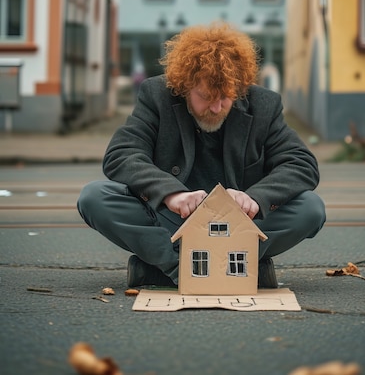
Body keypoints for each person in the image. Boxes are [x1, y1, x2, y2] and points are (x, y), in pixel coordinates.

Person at [77, 22, 326, 289]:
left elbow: (302, 163)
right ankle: (238, 269)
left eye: (226, 97)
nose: (217, 107)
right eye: (206, 96)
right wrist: (172, 194)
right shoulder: (156, 95)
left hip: (238, 225)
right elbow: (121, 154)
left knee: (311, 208)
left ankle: (168, 270)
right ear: (184, 85)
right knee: (94, 198)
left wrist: (254, 197)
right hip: (171, 222)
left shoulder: (264, 105)